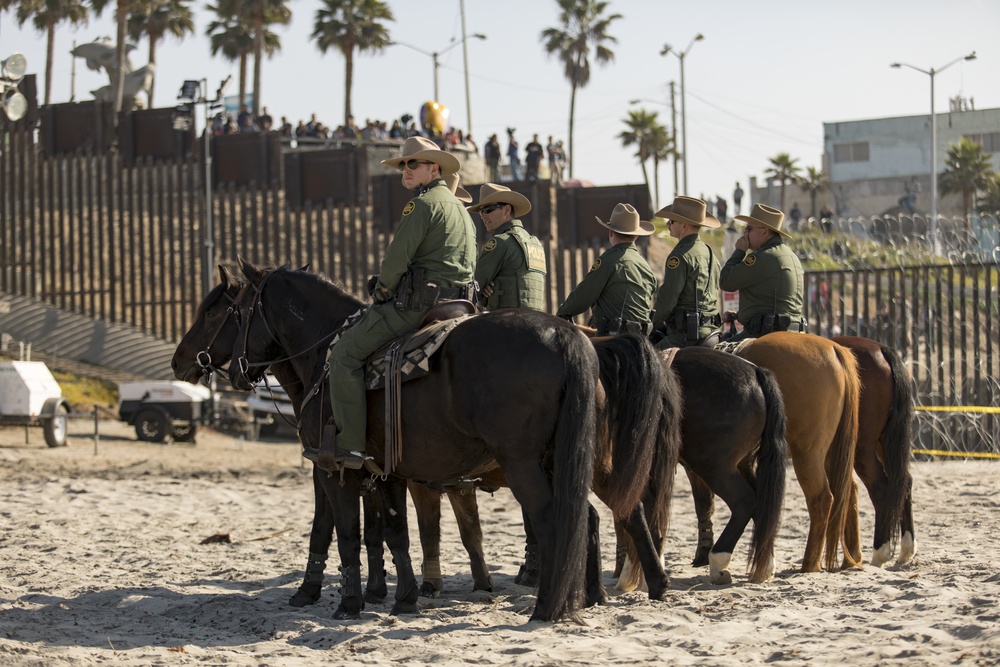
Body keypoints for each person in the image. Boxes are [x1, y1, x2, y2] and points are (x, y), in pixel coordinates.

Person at [317, 136, 478, 471]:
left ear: (434, 168)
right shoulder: (461, 211)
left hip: (417, 307)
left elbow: (395, 261)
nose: (406, 170)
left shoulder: (421, 205)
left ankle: (351, 447)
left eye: (413, 164)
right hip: (459, 305)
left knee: (345, 355)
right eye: (403, 164)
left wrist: (383, 291)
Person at [556, 203, 657, 335]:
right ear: (636, 236)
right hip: (641, 339)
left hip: (612, 339)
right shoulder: (646, 266)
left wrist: (562, 313)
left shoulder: (609, 260)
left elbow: (583, 296)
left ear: (610, 232)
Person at [719, 203, 805, 341]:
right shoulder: (791, 255)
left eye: (749, 229)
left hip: (765, 334)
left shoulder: (763, 257)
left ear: (765, 232)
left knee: (715, 356)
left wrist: (739, 251)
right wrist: (739, 315)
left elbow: (726, 281)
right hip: (794, 331)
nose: (745, 234)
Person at [650, 196, 722, 348]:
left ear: (683, 225)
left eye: (672, 221)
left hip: (685, 335)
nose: (668, 224)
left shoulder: (679, 256)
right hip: (712, 333)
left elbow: (668, 300)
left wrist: (651, 324)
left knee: (645, 364)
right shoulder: (709, 253)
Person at [467, 183, 547, 311]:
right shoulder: (535, 243)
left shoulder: (501, 242)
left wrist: (485, 296)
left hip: (506, 318)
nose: (482, 216)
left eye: (488, 210)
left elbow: (472, 289)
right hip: (536, 315)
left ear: (507, 210)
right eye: (480, 211)